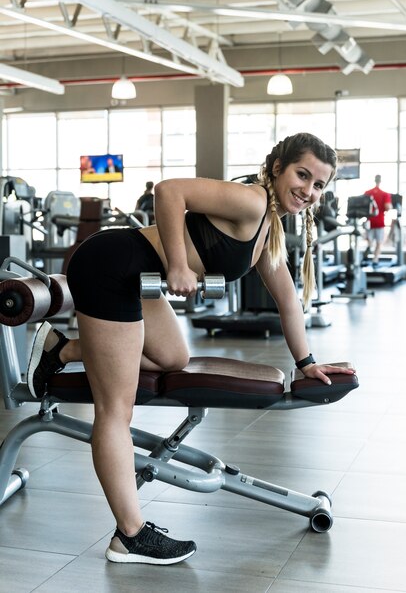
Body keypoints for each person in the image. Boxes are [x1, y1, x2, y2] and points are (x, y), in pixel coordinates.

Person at [26, 132, 356, 566]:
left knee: (174, 359)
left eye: (319, 185)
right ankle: (130, 535)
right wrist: (179, 266)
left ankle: (63, 349)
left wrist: (307, 363)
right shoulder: (252, 200)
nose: (309, 190)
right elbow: (169, 191)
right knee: (116, 410)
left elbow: (287, 298)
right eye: (303, 174)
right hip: (112, 265)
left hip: (134, 276)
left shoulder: (267, 229)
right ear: (277, 168)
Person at [364, 174, 392, 268]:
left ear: (374, 180)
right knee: (379, 243)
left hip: (369, 221)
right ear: (380, 181)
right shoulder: (385, 194)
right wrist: (391, 206)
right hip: (379, 221)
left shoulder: (367, 192)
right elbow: (387, 207)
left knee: (370, 241)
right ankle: (375, 260)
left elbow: (363, 206)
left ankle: (368, 250)